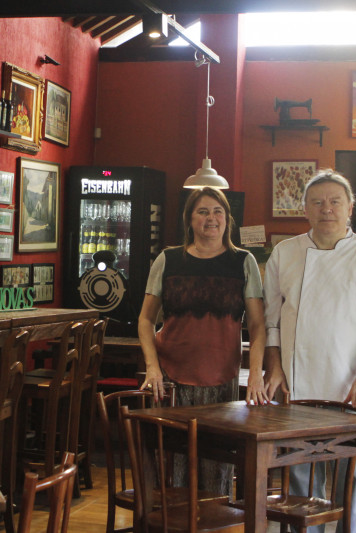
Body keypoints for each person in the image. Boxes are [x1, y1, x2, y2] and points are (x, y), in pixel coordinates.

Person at [262, 169, 356, 533]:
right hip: (296, 389)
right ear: (304, 209)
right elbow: (271, 323)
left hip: (348, 388)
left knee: (346, 482)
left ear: (350, 207)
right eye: (317, 202)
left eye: (335, 201)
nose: (327, 209)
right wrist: (273, 368)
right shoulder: (284, 254)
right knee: (299, 483)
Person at [138, 186, 268, 496]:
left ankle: (213, 524)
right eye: (202, 211)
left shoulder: (243, 261)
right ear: (190, 220)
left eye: (217, 211)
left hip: (222, 380)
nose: (211, 218)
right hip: (170, 380)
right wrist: (152, 368)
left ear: (228, 219)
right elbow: (145, 320)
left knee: (217, 464)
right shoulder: (168, 259)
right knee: (171, 463)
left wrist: (257, 374)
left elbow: (259, 324)